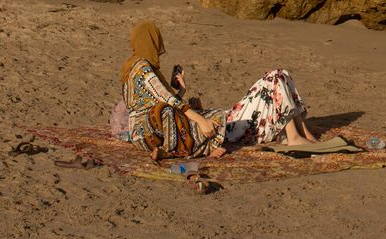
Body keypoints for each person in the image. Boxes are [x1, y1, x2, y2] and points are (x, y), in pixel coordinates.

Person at [119, 21, 318, 160]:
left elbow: (161, 102)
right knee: (275, 77)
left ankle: (303, 132)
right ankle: (294, 137)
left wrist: (181, 92)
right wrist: (202, 121)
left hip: (153, 131)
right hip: (156, 132)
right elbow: (167, 101)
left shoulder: (133, 66)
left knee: (280, 73)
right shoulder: (142, 67)